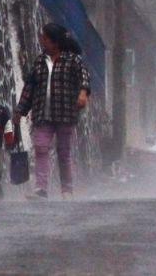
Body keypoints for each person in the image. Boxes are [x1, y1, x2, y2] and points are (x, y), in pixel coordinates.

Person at [14, 23, 90, 200]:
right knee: (41, 148)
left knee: (63, 151)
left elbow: (84, 78)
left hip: (65, 114)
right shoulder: (40, 62)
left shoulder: (73, 60)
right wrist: (21, 110)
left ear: (56, 42)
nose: (42, 40)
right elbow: (30, 87)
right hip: (43, 114)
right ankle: (41, 188)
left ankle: (67, 189)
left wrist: (83, 93)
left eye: (45, 38)